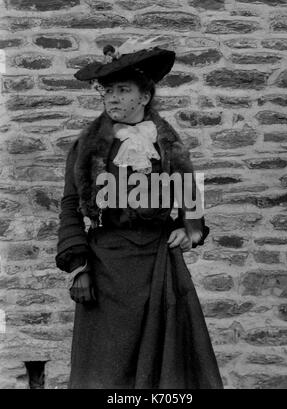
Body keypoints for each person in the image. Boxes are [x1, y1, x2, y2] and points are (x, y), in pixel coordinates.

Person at [55, 40, 223, 389]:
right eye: (107, 91)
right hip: (106, 266)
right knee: (105, 370)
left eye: (122, 90)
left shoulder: (167, 143)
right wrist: (78, 267)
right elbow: (71, 205)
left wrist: (189, 229)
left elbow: (188, 196)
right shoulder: (87, 147)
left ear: (144, 97)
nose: (112, 98)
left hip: (158, 264)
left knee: (168, 369)